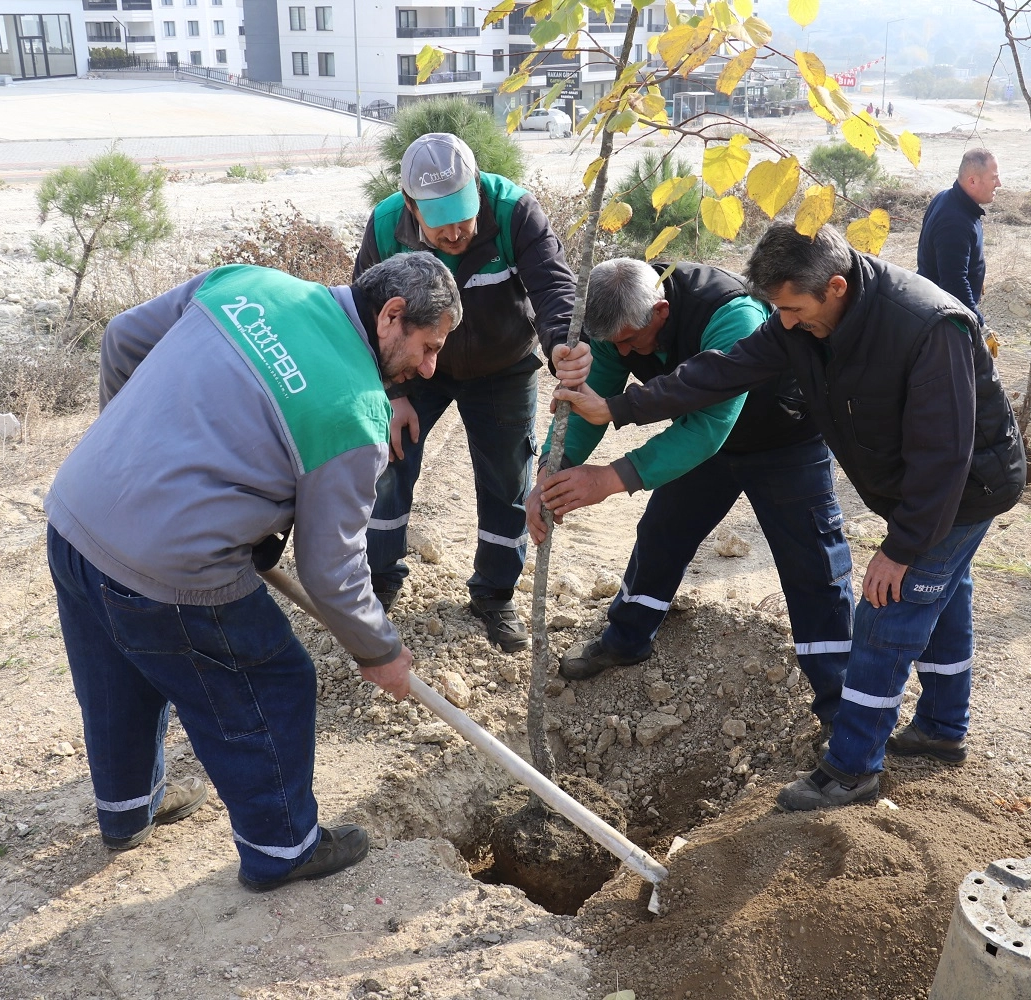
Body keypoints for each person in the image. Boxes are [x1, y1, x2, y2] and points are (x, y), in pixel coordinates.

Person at [553, 222, 1026, 811]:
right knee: (944, 595)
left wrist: (901, 548)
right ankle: (941, 730)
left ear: (833, 287)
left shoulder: (927, 327)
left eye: (792, 308)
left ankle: (851, 769)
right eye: (778, 308)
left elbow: (945, 454)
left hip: (965, 488)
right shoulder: (799, 323)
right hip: (928, 487)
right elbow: (718, 372)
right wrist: (621, 407)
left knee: (888, 612)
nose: (783, 321)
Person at [44, 254, 461, 890]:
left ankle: (125, 814)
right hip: (169, 568)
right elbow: (331, 571)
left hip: (76, 513)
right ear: (391, 316)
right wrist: (380, 650)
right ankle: (282, 846)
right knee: (276, 680)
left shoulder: (245, 284)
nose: (430, 369)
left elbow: (122, 338)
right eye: (429, 347)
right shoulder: (353, 414)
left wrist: (132, 457)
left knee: (117, 665)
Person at [530, 258, 854, 737]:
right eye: (611, 342)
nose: (620, 351)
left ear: (660, 312)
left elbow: (709, 426)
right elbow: (587, 402)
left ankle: (840, 709)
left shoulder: (732, 314)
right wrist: (547, 474)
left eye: (627, 341)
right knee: (662, 534)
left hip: (785, 439)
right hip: (701, 440)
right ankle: (627, 639)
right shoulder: (618, 318)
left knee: (814, 568)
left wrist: (610, 478)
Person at [353, 132, 587, 653]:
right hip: (416, 367)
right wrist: (391, 394)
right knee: (387, 461)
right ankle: (380, 579)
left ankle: (494, 593)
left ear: (478, 187)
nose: (458, 231)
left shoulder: (515, 212)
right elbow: (369, 316)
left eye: (465, 214)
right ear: (413, 208)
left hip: (503, 366)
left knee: (508, 477)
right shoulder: (387, 224)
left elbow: (553, 288)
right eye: (441, 223)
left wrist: (563, 347)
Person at [917, 149, 1001, 321]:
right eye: (993, 178)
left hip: (938, 307)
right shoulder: (955, 222)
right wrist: (979, 326)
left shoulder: (947, 198)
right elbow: (954, 285)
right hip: (941, 316)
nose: (998, 183)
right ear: (972, 181)